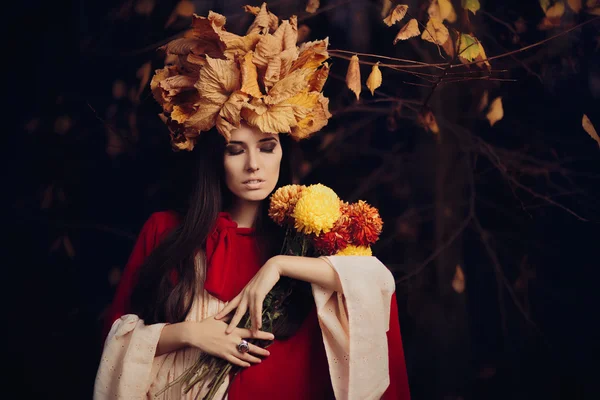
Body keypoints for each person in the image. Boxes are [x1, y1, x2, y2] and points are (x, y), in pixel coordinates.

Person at [94, 5, 410, 399]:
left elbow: (375, 286)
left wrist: (277, 265)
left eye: (266, 147)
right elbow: (115, 344)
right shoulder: (166, 231)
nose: (254, 165)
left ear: (283, 152)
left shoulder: (309, 240)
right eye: (235, 150)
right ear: (216, 159)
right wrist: (190, 333)